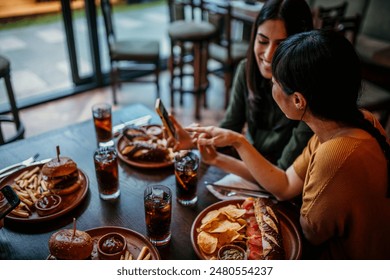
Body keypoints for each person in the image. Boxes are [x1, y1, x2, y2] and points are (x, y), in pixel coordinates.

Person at [187, 30, 390, 259]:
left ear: (298, 100)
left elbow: (311, 233)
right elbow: (284, 185)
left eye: (275, 83)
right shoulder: (357, 120)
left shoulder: (335, 154)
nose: (271, 86)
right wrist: (232, 145)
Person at [171, 0, 314, 179]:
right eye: (262, 41)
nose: (269, 55)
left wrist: (234, 145)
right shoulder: (247, 69)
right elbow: (231, 126)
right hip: (252, 165)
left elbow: (284, 179)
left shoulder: (311, 92)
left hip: (284, 182)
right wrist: (192, 140)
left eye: (281, 45)